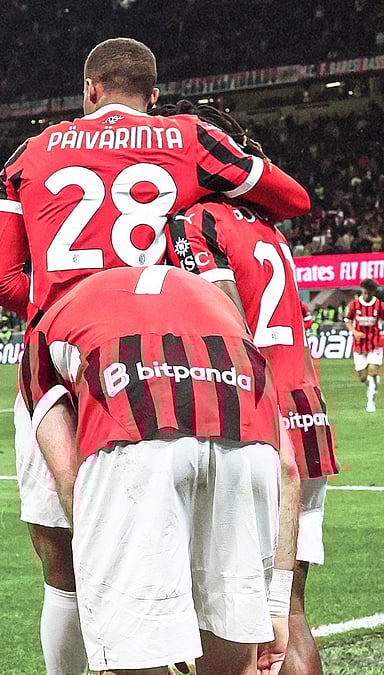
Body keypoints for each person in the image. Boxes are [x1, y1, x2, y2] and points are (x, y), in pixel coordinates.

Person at [0, 37, 311, 675]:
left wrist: (60, 306)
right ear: (154, 97)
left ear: (89, 93)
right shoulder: (187, 138)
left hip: (59, 355)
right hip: (172, 350)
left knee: (65, 567)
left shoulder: (32, 151)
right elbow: (292, 199)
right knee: (195, 551)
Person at [22, 265, 293, 675]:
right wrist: (277, 603)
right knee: (234, 663)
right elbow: (289, 468)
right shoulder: (222, 311)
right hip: (246, 439)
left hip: (135, 434)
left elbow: (70, 483)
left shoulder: (45, 329)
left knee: (138, 662)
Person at [159, 100, 338, 675]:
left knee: (232, 615)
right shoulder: (264, 223)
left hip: (257, 411)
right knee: (290, 604)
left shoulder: (195, 222)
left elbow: (225, 314)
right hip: (307, 406)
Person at [344, 278, 382, 412]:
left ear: (373, 292)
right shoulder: (354, 305)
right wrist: (354, 332)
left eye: (368, 293)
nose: (365, 295)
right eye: (364, 292)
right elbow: (347, 320)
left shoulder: (379, 305)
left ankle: (371, 402)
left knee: (372, 370)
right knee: (362, 376)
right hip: (359, 344)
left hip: (375, 342)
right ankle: (372, 385)